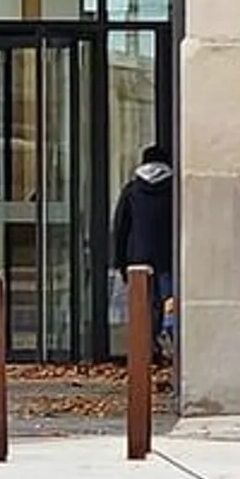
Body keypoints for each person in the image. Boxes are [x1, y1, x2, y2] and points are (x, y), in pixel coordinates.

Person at [109, 144, 175, 360]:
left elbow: (121, 227)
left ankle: (147, 346)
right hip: (167, 255)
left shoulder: (132, 190)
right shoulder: (174, 189)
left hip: (138, 256)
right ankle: (168, 333)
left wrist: (120, 260)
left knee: (143, 303)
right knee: (168, 299)